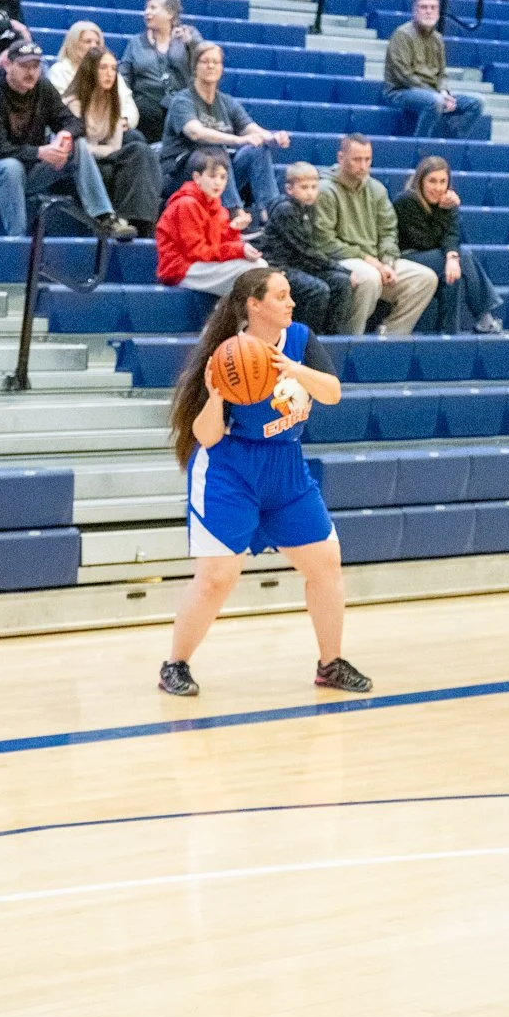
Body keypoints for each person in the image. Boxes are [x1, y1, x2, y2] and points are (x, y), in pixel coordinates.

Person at [158, 267, 370, 697]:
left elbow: (332, 393)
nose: (292, 302)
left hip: (285, 467)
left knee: (325, 564)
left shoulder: (300, 339)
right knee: (217, 577)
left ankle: (330, 664)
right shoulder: (227, 354)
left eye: (290, 294)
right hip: (231, 469)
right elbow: (206, 436)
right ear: (254, 305)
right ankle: (174, 665)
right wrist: (216, 396)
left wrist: (293, 369)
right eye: (281, 296)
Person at [0, 41, 134, 240]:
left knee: (76, 145)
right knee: (10, 167)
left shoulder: (43, 87)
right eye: (24, 66)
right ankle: (18, 240)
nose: (31, 72)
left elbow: (74, 122)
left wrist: (65, 135)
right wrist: (40, 153)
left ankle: (104, 216)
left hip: (27, 169)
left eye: (35, 66)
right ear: (8, 65)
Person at [316, 134, 438, 335]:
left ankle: (390, 337)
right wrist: (369, 260)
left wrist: (388, 261)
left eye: (368, 159)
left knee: (425, 278)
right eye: (357, 159)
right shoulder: (324, 190)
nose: (363, 166)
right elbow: (324, 241)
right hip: (341, 259)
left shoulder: (377, 189)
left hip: (377, 260)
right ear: (340, 158)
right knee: (369, 278)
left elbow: (388, 230)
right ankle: (351, 339)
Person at [161, 43, 287, 226]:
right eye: (205, 61)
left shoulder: (226, 102)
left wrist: (272, 137)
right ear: (194, 67)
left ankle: (271, 215)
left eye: (216, 62)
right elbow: (195, 132)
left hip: (217, 175)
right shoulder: (182, 100)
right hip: (182, 174)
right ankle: (233, 212)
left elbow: (250, 127)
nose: (211, 66)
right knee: (215, 150)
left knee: (257, 149)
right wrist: (238, 140)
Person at [394, 156, 502, 333]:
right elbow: (424, 242)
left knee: (454, 275)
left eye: (442, 182)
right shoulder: (406, 201)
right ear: (420, 181)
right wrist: (443, 213)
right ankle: (484, 316)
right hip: (406, 258)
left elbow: (453, 236)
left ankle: (448, 333)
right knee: (464, 257)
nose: (438, 188)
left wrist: (452, 256)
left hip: (435, 257)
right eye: (432, 181)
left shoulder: (447, 203)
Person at [63, 45, 163, 233]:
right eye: (103, 68)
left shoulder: (113, 101)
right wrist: (95, 150)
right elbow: (79, 150)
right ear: (90, 71)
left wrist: (95, 149)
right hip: (78, 167)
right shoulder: (74, 104)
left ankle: (138, 223)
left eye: (113, 68)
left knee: (141, 150)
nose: (110, 74)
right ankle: (123, 223)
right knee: (115, 163)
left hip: (102, 157)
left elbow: (115, 146)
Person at [261, 162, 353, 335]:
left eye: (313, 187)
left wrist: (341, 272)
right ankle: (307, 338)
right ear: (289, 189)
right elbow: (304, 249)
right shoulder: (285, 210)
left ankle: (333, 337)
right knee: (317, 289)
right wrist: (339, 267)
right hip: (280, 266)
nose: (310, 192)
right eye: (304, 187)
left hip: (301, 265)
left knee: (341, 282)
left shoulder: (308, 208)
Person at [156, 150, 261, 296]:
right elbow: (196, 252)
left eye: (223, 177)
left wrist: (232, 230)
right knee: (253, 272)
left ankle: (229, 308)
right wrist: (239, 250)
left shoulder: (218, 208)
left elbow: (218, 246)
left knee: (259, 267)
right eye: (212, 176)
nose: (218, 182)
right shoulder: (186, 204)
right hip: (180, 269)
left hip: (202, 265)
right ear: (197, 177)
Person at [383, 0, 486, 139]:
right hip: (400, 92)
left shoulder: (438, 39)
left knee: (476, 102)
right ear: (415, 11)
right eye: (423, 7)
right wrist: (437, 95)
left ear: (438, 13)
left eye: (433, 8)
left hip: (433, 93)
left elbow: (442, 74)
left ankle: (452, 141)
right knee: (436, 102)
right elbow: (404, 75)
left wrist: (444, 91)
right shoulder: (402, 35)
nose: (428, 11)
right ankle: (419, 146)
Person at [122, 0, 202, 142]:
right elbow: (124, 77)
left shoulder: (189, 34)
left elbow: (207, 59)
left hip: (181, 104)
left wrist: (191, 44)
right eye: (146, 8)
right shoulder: (136, 42)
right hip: (145, 108)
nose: (147, 12)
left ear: (170, 13)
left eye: (153, 8)